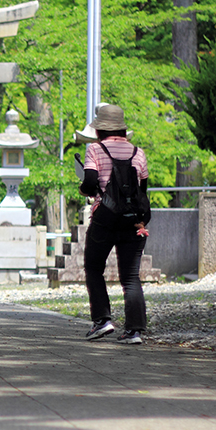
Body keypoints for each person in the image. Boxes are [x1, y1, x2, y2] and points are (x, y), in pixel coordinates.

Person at [79, 103, 150, 345]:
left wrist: (86, 190)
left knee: (93, 267)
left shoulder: (95, 149)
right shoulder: (138, 152)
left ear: (100, 130)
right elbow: (143, 190)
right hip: (133, 221)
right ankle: (134, 331)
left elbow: (89, 182)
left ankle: (102, 320)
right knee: (131, 276)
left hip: (105, 218)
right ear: (122, 130)